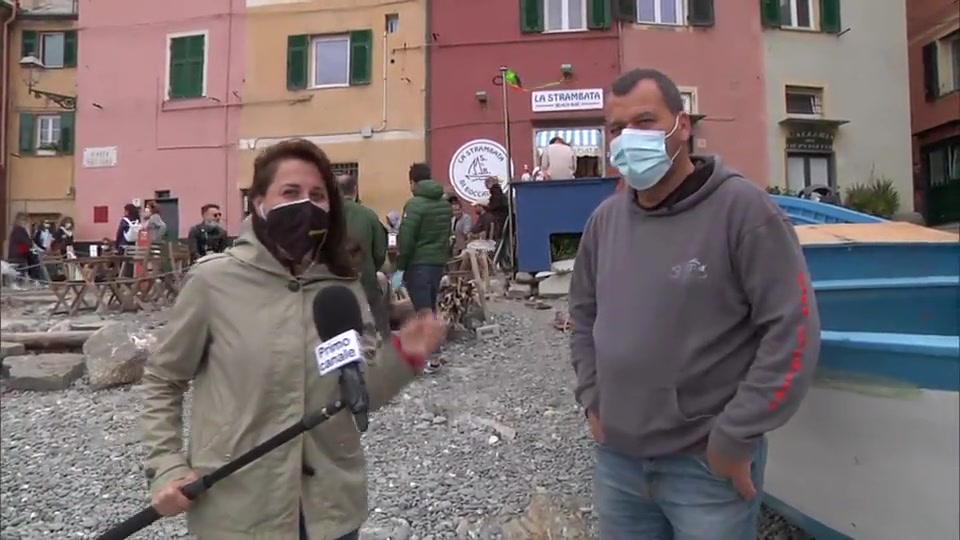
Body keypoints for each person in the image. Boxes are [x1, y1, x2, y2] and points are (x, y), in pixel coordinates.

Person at [141, 138, 446, 540]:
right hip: (240, 511)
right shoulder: (213, 282)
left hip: (330, 512)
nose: (306, 204)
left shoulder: (341, 287)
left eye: (317, 195)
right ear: (259, 203)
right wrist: (167, 466)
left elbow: (356, 392)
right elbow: (164, 379)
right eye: (290, 192)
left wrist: (404, 358)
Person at [568, 68, 821, 539]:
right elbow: (582, 315)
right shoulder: (605, 222)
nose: (628, 139)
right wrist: (593, 399)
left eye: (644, 121)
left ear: (682, 127)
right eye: (616, 129)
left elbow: (793, 330)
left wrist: (737, 435)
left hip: (704, 466)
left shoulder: (743, 212)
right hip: (618, 461)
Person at [397, 163, 452, 373]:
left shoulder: (414, 205)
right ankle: (432, 353)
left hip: (419, 263)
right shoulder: (444, 205)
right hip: (437, 262)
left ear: (413, 182)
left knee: (424, 311)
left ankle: (433, 357)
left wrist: (401, 264)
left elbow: (406, 239)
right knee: (430, 306)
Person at [338, 173, 389, 338]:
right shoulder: (369, 215)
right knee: (376, 316)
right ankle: (385, 349)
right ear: (355, 190)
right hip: (365, 277)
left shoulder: (324, 216)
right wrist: (372, 266)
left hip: (334, 280)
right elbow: (380, 251)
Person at [483, 177, 508, 241]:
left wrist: (487, 208)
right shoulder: (499, 193)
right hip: (502, 219)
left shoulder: (495, 193)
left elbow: (495, 205)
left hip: (498, 221)